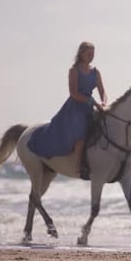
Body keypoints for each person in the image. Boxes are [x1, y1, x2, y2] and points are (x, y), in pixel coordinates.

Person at [27, 41, 107, 176]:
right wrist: (92, 101)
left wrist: (104, 103)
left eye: (93, 54)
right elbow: (73, 93)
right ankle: (78, 167)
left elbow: (102, 91)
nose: (91, 56)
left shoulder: (96, 72)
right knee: (80, 135)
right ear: (81, 53)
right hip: (75, 108)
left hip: (91, 106)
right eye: (88, 54)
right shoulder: (74, 70)